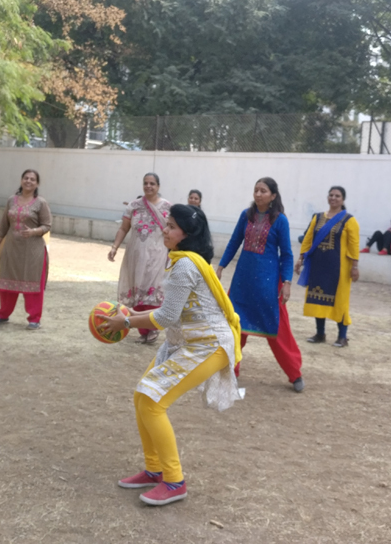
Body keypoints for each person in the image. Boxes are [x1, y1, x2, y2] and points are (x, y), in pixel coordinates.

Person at [100, 204, 242, 507]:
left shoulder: (185, 265)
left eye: (172, 227)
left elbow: (164, 318)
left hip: (208, 345)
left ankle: (174, 481)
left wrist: (125, 321)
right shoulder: (179, 260)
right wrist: (129, 317)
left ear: (186, 235)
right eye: (166, 224)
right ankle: (154, 470)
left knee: (152, 401)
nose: (165, 230)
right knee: (142, 397)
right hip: (186, 341)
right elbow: (170, 316)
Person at [217, 177, 304, 392]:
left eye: (263, 191)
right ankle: (230, 371)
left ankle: (295, 373)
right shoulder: (245, 216)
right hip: (242, 282)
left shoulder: (280, 221)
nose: (258, 194)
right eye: (256, 190)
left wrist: (286, 282)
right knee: (234, 326)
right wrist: (221, 266)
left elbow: (287, 254)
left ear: (273, 196)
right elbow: (234, 242)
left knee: (278, 329)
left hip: (268, 284)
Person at [109, 173, 172, 343]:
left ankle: (152, 330)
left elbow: (173, 230)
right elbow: (123, 228)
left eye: (152, 183)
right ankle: (143, 331)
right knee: (137, 290)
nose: (149, 186)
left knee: (152, 291)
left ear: (158, 186)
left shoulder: (167, 208)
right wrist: (115, 247)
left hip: (157, 255)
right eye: (146, 183)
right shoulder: (134, 206)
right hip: (135, 255)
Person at [295, 186, 359, 348]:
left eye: (337, 196)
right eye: (331, 195)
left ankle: (342, 337)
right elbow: (309, 238)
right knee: (318, 298)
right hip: (318, 265)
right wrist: (301, 258)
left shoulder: (349, 220)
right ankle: (320, 333)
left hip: (339, 269)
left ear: (343, 199)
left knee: (340, 301)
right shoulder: (317, 218)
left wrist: (354, 266)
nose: (333, 198)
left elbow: (353, 244)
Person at [0, 169, 52, 330]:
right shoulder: (11, 200)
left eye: (32, 179)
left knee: (32, 285)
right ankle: (3, 315)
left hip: (33, 251)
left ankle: (34, 319)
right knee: (7, 281)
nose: (28, 181)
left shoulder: (40, 203)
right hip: (11, 248)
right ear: (21, 180)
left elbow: (47, 225)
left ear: (37, 183)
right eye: (26, 178)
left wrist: (33, 232)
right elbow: (3, 225)